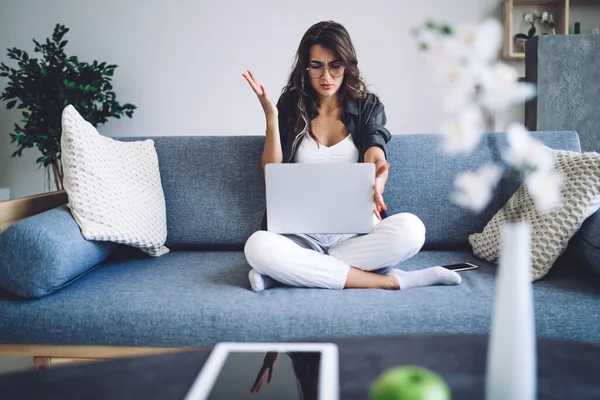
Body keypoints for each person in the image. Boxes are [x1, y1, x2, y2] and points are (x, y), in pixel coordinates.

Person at [242, 21, 461, 292]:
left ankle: (289, 272)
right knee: (256, 246)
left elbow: (374, 152)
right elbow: (271, 173)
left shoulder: (368, 105)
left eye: (335, 65)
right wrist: (272, 119)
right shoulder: (290, 104)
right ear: (305, 67)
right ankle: (389, 281)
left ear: (347, 65)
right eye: (317, 66)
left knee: (412, 230)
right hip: (298, 235)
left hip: (353, 234)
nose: (327, 76)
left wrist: (378, 178)